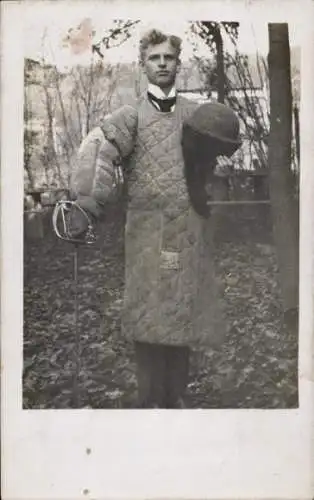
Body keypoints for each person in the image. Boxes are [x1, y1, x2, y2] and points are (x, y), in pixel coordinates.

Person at [68, 29, 241, 408]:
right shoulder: (129, 117)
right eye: (154, 58)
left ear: (178, 64)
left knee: (183, 315)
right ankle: (149, 404)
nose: (162, 64)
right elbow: (99, 152)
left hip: (188, 230)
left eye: (169, 58)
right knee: (148, 316)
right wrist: (86, 204)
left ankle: (175, 398)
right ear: (143, 65)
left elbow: (222, 151)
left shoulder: (197, 114)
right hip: (146, 233)